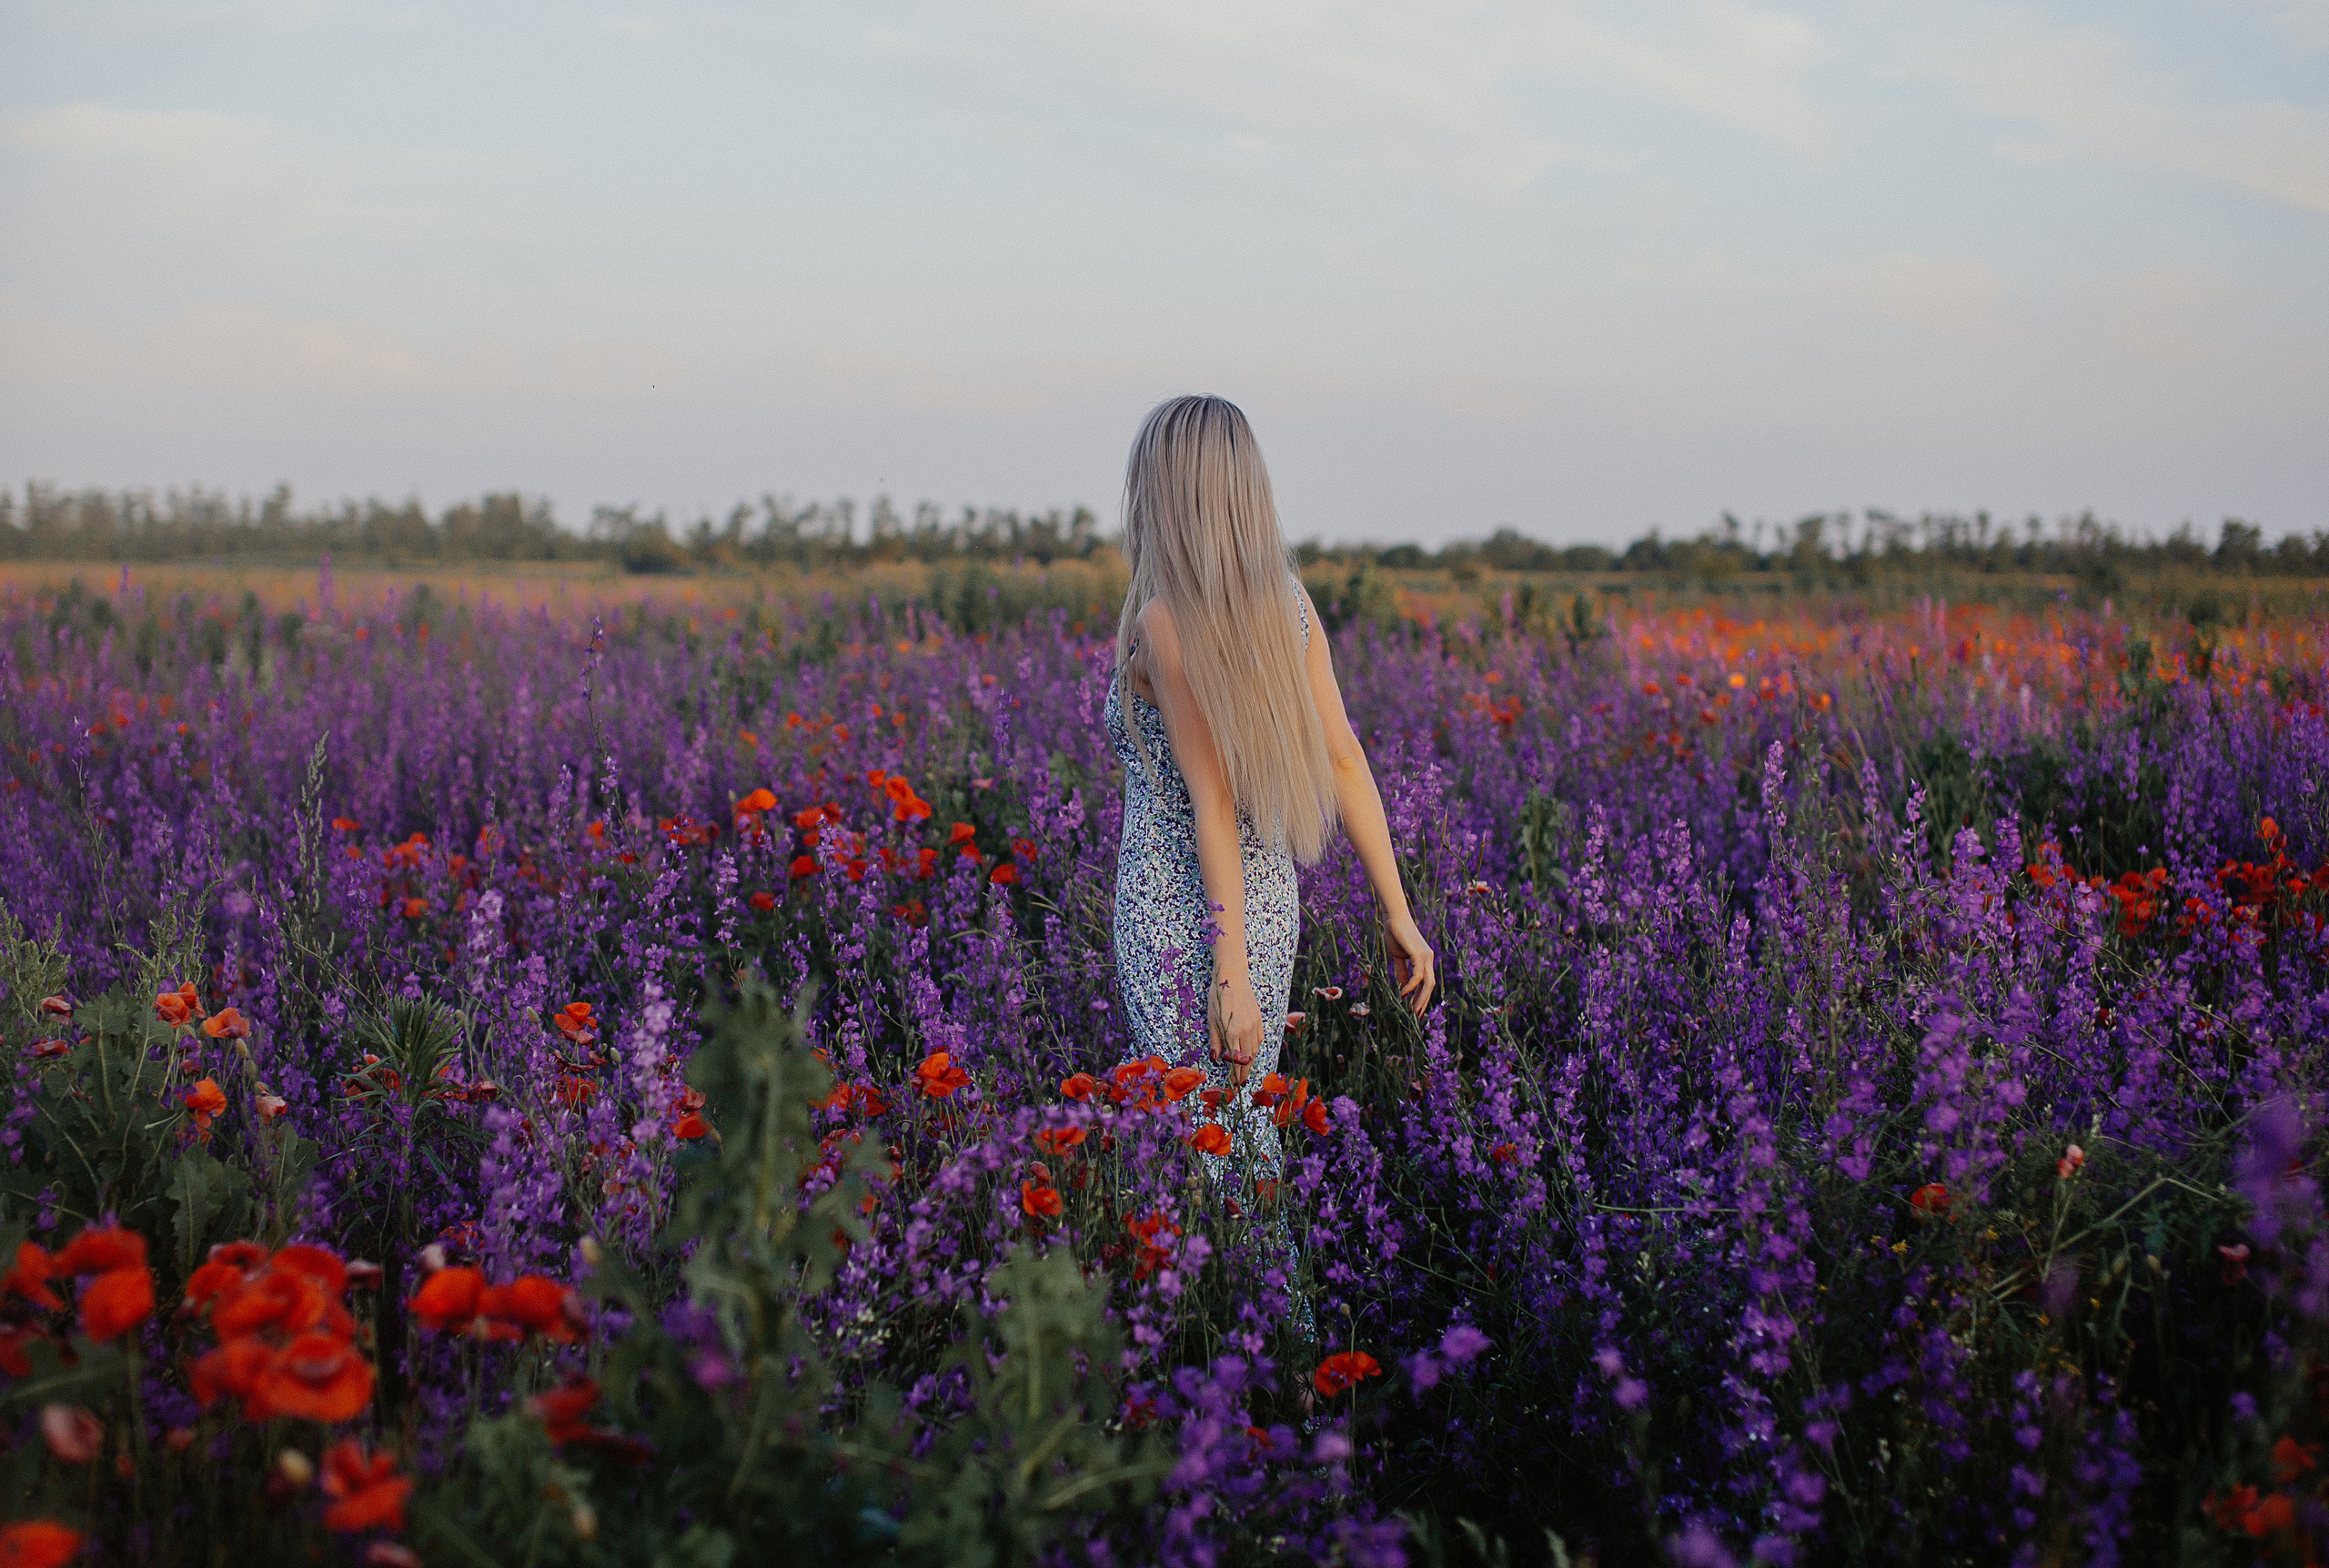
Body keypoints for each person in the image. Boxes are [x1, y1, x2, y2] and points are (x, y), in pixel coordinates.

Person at [1106, 394, 1436, 1197]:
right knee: (1239, 1147)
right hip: (1262, 911)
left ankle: (1254, 1315)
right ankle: (1272, 1316)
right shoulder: (1287, 604)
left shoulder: (1165, 620)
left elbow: (1210, 803)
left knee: (1214, 1153)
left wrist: (1229, 976)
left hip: (1180, 921)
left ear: (1166, 492)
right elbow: (1347, 761)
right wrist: (1398, 913)